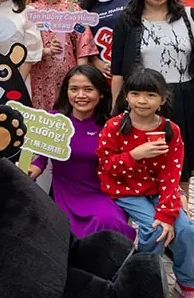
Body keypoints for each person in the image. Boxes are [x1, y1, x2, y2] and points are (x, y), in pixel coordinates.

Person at [98, 68, 194, 298]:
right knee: (154, 229)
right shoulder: (114, 126)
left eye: (150, 95)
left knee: (186, 229)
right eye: (136, 93)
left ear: (163, 99)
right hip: (125, 190)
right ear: (126, 97)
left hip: (161, 191)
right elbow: (106, 167)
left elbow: (172, 175)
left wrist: (168, 213)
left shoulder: (172, 130)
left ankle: (187, 284)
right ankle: (143, 280)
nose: (142, 101)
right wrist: (134, 155)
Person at [111, 0, 194, 197]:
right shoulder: (127, 21)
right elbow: (118, 70)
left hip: (185, 101)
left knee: (180, 173)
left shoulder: (191, 17)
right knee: (139, 170)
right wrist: (115, 111)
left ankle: (179, 223)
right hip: (143, 105)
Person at [29, 65, 134, 240]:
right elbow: (39, 161)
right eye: (74, 89)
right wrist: (28, 170)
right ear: (66, 92)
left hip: (102, 194)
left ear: (101, 93)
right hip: (63, 195)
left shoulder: (112, 126)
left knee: (109, 223)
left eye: (88, 89)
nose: (80, 96)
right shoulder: (53, 121)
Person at [29, 0, 98, 111]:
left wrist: (81, 77)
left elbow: (83, 43)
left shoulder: (73, 10)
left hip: (68, 74)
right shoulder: (28, 12)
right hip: (37, 74)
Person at [79, 0, 131, 78]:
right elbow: (81, 42)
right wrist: (96, 62)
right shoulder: (84, 9)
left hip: (138, 71)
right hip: (105, 78)